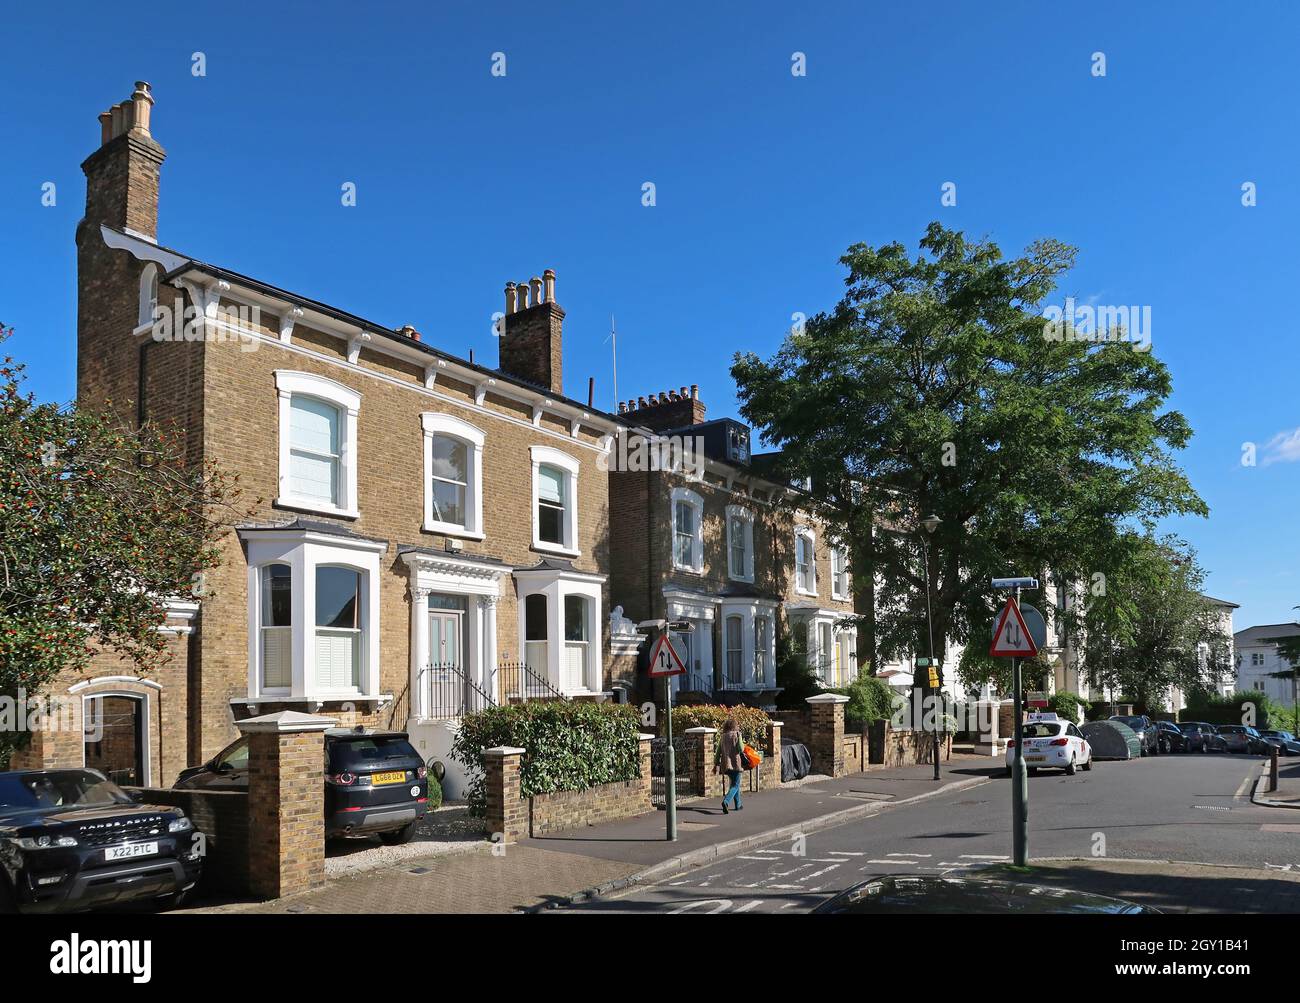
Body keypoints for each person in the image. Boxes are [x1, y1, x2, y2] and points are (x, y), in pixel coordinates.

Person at [719, 717, 745, 814]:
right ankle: (726, 802)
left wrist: (716, 763)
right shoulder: (737, 735)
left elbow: (718, 752)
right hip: (736, 765)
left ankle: (738, 805)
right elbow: (741, 749)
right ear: (735, 726)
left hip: (726, 765)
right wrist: (740, 738)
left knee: (734, 783)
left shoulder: (722, 737)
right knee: (736, 785)